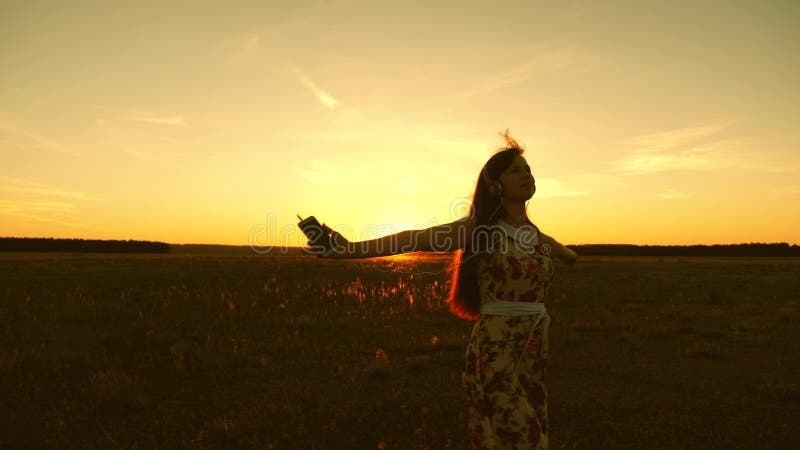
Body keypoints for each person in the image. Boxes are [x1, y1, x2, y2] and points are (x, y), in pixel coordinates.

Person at [315, 130, 577, 449]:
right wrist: (347, 249)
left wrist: (567, 253)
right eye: (515, 170)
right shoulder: (480, 230)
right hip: (495, 350)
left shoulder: (534, 236)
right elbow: (414, 237)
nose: (526, 175)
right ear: (495, 185)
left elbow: (556, 251)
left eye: (528, 169)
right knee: (525, 439)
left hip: (532, 352)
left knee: (527, 433)